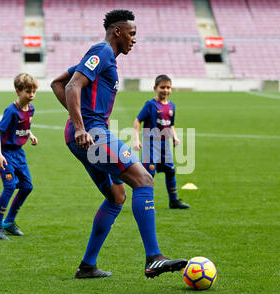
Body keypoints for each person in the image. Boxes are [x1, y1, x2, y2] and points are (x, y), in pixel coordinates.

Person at [50, 10, 187, 279]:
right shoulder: (102, 51)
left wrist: (78, 123)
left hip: (85, 135)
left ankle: (87, 266)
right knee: (144, 180)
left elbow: (57, 82)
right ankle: (154, 258)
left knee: (116, 196)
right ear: (118, 32)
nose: (134, 40)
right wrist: (81, 126)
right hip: (93, 134)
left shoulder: (104, 56)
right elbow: (71, 86)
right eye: (132, 34)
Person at [0, 73, 39, 240]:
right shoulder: (11, 111)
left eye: (33, 92)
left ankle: (9, 222)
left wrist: (30, 134)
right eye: (27, 92)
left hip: (19, 153)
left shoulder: (30, 109)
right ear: (18, 91)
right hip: (6, 153)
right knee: (9, 187)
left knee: (27, 187)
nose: (31, 95)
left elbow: (23, 126)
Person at [132, 74, 190, 209]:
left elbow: (171, 125)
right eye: (162, 87)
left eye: (168, 87)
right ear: (155, 88)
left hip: (165, 145)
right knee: (148, 174)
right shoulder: (150, 105)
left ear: (171, 89)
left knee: (170, 171)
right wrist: (136, 139)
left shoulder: (171, 106)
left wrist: (174, 137)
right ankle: (147, 204)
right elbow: (137, 120)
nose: (165, 90)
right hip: (150, 145)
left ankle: (174, 201)